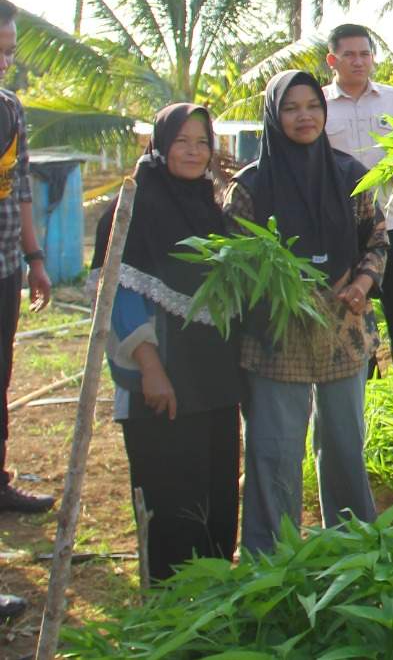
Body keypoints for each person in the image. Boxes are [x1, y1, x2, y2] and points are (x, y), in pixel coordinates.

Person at [230, 70, 387, 554]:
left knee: (343, 444)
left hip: (342, 331)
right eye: (292, 108)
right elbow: (237, 262)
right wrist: (283, 292)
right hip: (278, 337)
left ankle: (352, 550)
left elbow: (377, 239)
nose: (305, 116)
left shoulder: (350, 174)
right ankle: (270, 560)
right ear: (274, 117)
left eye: (313, 106)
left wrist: (361, 283)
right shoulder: (250, 186)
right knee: (274, 450)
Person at [92, 104, 243, 581]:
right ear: (159, 145)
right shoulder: (134, 208)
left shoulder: (212, 206)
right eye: (182, 141)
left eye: (203, 142)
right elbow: (122, 296)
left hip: (214, 380)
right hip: (163, 380)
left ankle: (215, 596)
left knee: (216, 490)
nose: (195, 152)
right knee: (171, 491)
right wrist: (150, 367)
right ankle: (171, 604)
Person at [322, 23, 393, 369]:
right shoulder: (319, 106)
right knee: (348, 305)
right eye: (349, 55)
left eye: (364, 54)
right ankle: (359, 377)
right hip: (340, 229)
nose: (358, 61)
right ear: (332, 60)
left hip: (391, 222)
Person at [0, 0, 51, 621]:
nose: (3, 59)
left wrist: (35, 258)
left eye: (8, 50)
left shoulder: (10, 109)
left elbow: (20, 189)